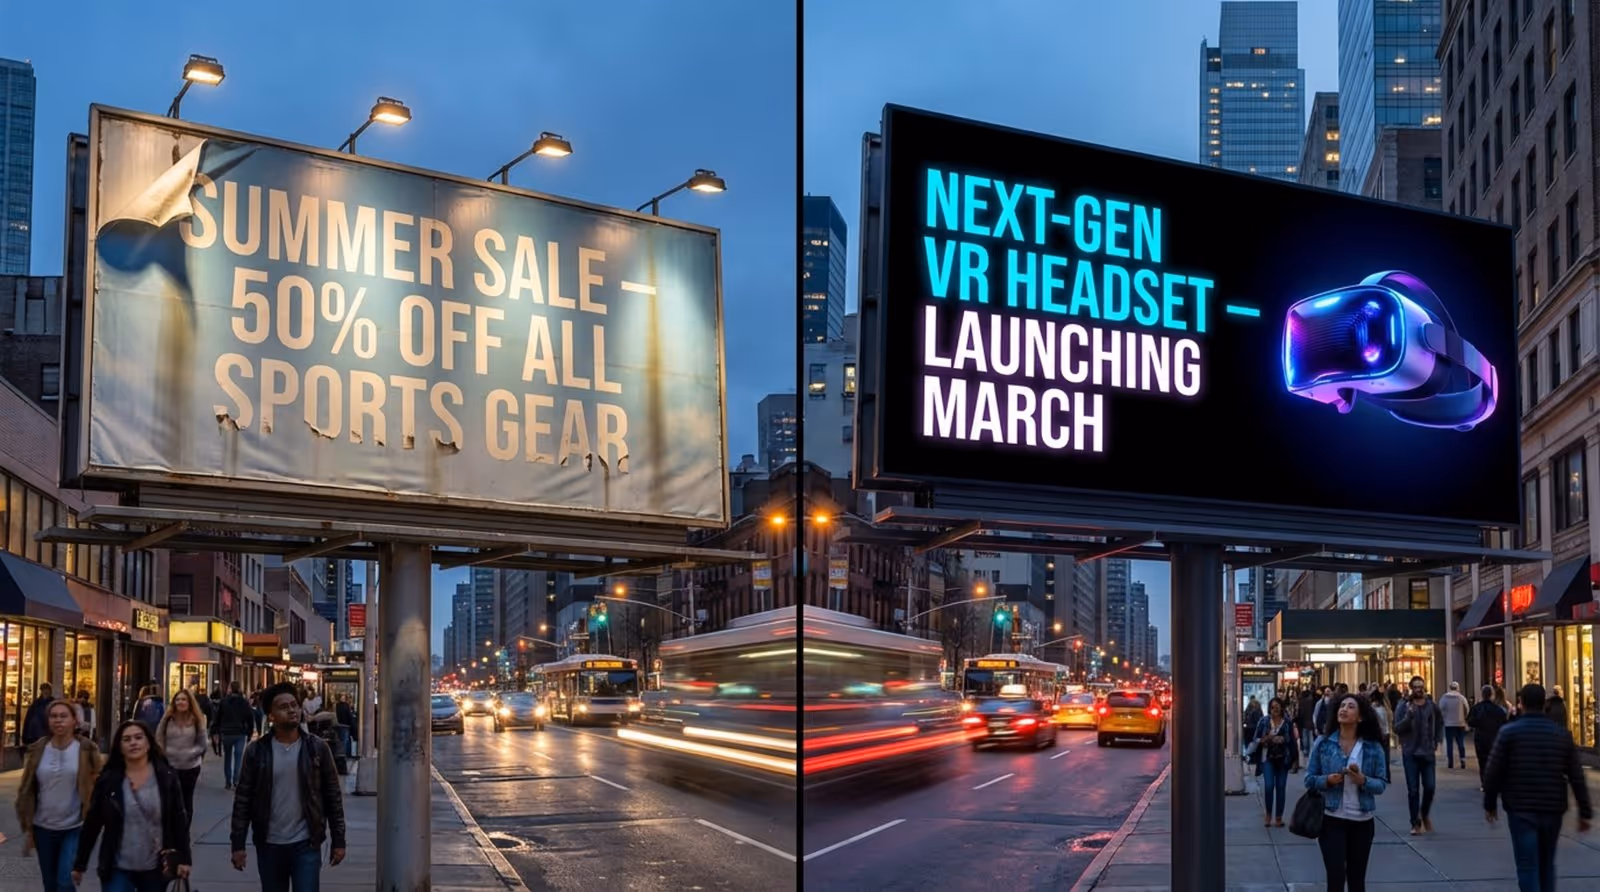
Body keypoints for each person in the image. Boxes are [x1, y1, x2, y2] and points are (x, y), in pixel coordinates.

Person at [231, 682, 348, 890]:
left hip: (306, 843)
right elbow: (243, 799)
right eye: (284, 707)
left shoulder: (317, 748)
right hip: (269, 844)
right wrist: (238, 844)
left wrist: (339, 840)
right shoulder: (256, 751)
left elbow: (333, 797)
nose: (292, 710)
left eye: (294, 705)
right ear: (271, 716)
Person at [1484, 683, 1593, 892]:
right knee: (1546, 864)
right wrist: (1584, 811)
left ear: (1521, 703)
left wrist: (1490, 804)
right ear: (1544, 704)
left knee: (1527, 864)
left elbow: (1493, 771)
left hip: (1520, 808)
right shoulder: (1561, 734)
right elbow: (1576, 775)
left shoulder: (1509, 733)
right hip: (1552, 807)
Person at [71, 720, 192, 892]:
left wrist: (184, 858)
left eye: (138, 738)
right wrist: (80, 864)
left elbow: (179, 819)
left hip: (155, 867)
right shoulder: (108, 781)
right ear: (120, 747)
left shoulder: (165, 777)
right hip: (117, 867)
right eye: (126, 739)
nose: (133, 743)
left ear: (148, 744)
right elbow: (93, 822)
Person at [15, 700, 104, 892]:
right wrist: (27, 825)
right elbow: (27, 787)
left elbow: (99, 782)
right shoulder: (38, 749)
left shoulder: (86, 749)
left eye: (64, 716)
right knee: (50, 884)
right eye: (53, 716)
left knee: (64, 880)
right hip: (43, 827)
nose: (58, 720)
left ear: (74, 720)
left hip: (74, 827)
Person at [1305, 693, 1389, 892]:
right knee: (1335, 877)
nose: (1344, 709)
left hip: (1362, 822)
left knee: (1356, 880)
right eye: (1342, 706)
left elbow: (1381, 784)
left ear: (1360, 717)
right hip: (1331, 819)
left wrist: (1363, 780)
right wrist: (1327, 780)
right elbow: (1309, 779)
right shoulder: (1323, 743)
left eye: (1351, 706)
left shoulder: (1372, 747)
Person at [1394, 676, 1443, 835]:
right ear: (1411, 688)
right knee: (1413, 790)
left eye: (1421, 686)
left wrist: (1437, 740)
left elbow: (1439, 722)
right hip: (1410, 753)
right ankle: (1415, 822)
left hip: (1428, 753)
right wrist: (1408, 718)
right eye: (1415, 687)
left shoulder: (1431, 706)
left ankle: (1424, 812)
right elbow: (1397, 728)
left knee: (1430, 787)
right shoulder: (1404, 706)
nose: (1418, 689)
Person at [155, 689, 208, 829]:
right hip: (170, 767)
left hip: (190, 768)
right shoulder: (167, 719)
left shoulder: (196, 720)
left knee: (186, 800)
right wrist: (164, 754)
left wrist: (190, 753)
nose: (180, 702)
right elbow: (159, 737)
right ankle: (171, 831)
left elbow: (203, 744)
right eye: (178, 699)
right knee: (169, 800)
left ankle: (184, 831)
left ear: (189, 702)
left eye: (184, 699)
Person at [1251, 697, 1299, 827]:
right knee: (1268, 786)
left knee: (1281, 787)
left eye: (1277, 707)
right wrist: (1269, 738)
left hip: (1283, 759)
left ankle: (1278, 817)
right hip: (1268, 759)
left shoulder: (1287, 723)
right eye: (1272, 707)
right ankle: (1268, 815)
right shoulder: (1263, 721)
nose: (1275, 710)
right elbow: (1256, 739)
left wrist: (1284, 742)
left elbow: (1292, 742)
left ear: (1281, 708)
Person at [214, 681, 260, 790]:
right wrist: (249, 733)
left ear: (230, 689)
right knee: (238, 757)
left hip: (227, 733)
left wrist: (216, 731)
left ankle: (228, 781)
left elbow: (218, 718)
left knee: (228, 757)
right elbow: (249, 718)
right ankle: (236, 780)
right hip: (240, 733)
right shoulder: (244, 702)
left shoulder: (224, 702)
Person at [1468, 684, 1510, 792]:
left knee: (1482, 761)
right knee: (1495, 761)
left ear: (1482, 695)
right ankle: (1495, 782)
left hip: (1481, 738)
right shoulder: (1498, 709)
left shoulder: (1477, 708)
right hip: (1494, 738)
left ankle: (1485, 783)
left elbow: (1470, 721)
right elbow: (1504, 723)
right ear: (1492, 695)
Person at [1439, 681, 1470, 769]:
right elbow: (1467, 709)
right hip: (1460, 723)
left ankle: (1450, 762)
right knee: (1460, 742)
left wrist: (1444, 718)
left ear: (1450, 688)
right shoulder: (1461, 698)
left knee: (1449, 744)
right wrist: (1464, 718)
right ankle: (1462, 759)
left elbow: (1440, 709)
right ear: (1458, 688)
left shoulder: (1444, 697)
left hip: (1448, 724)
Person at [22, 683, 56, 748]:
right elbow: (29, 718)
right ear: (42, 691)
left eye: (47, 690)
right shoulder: (36, 703)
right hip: (37, 732)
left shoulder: (53, 702)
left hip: (48, 731)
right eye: (44, 690)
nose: (46, 692)